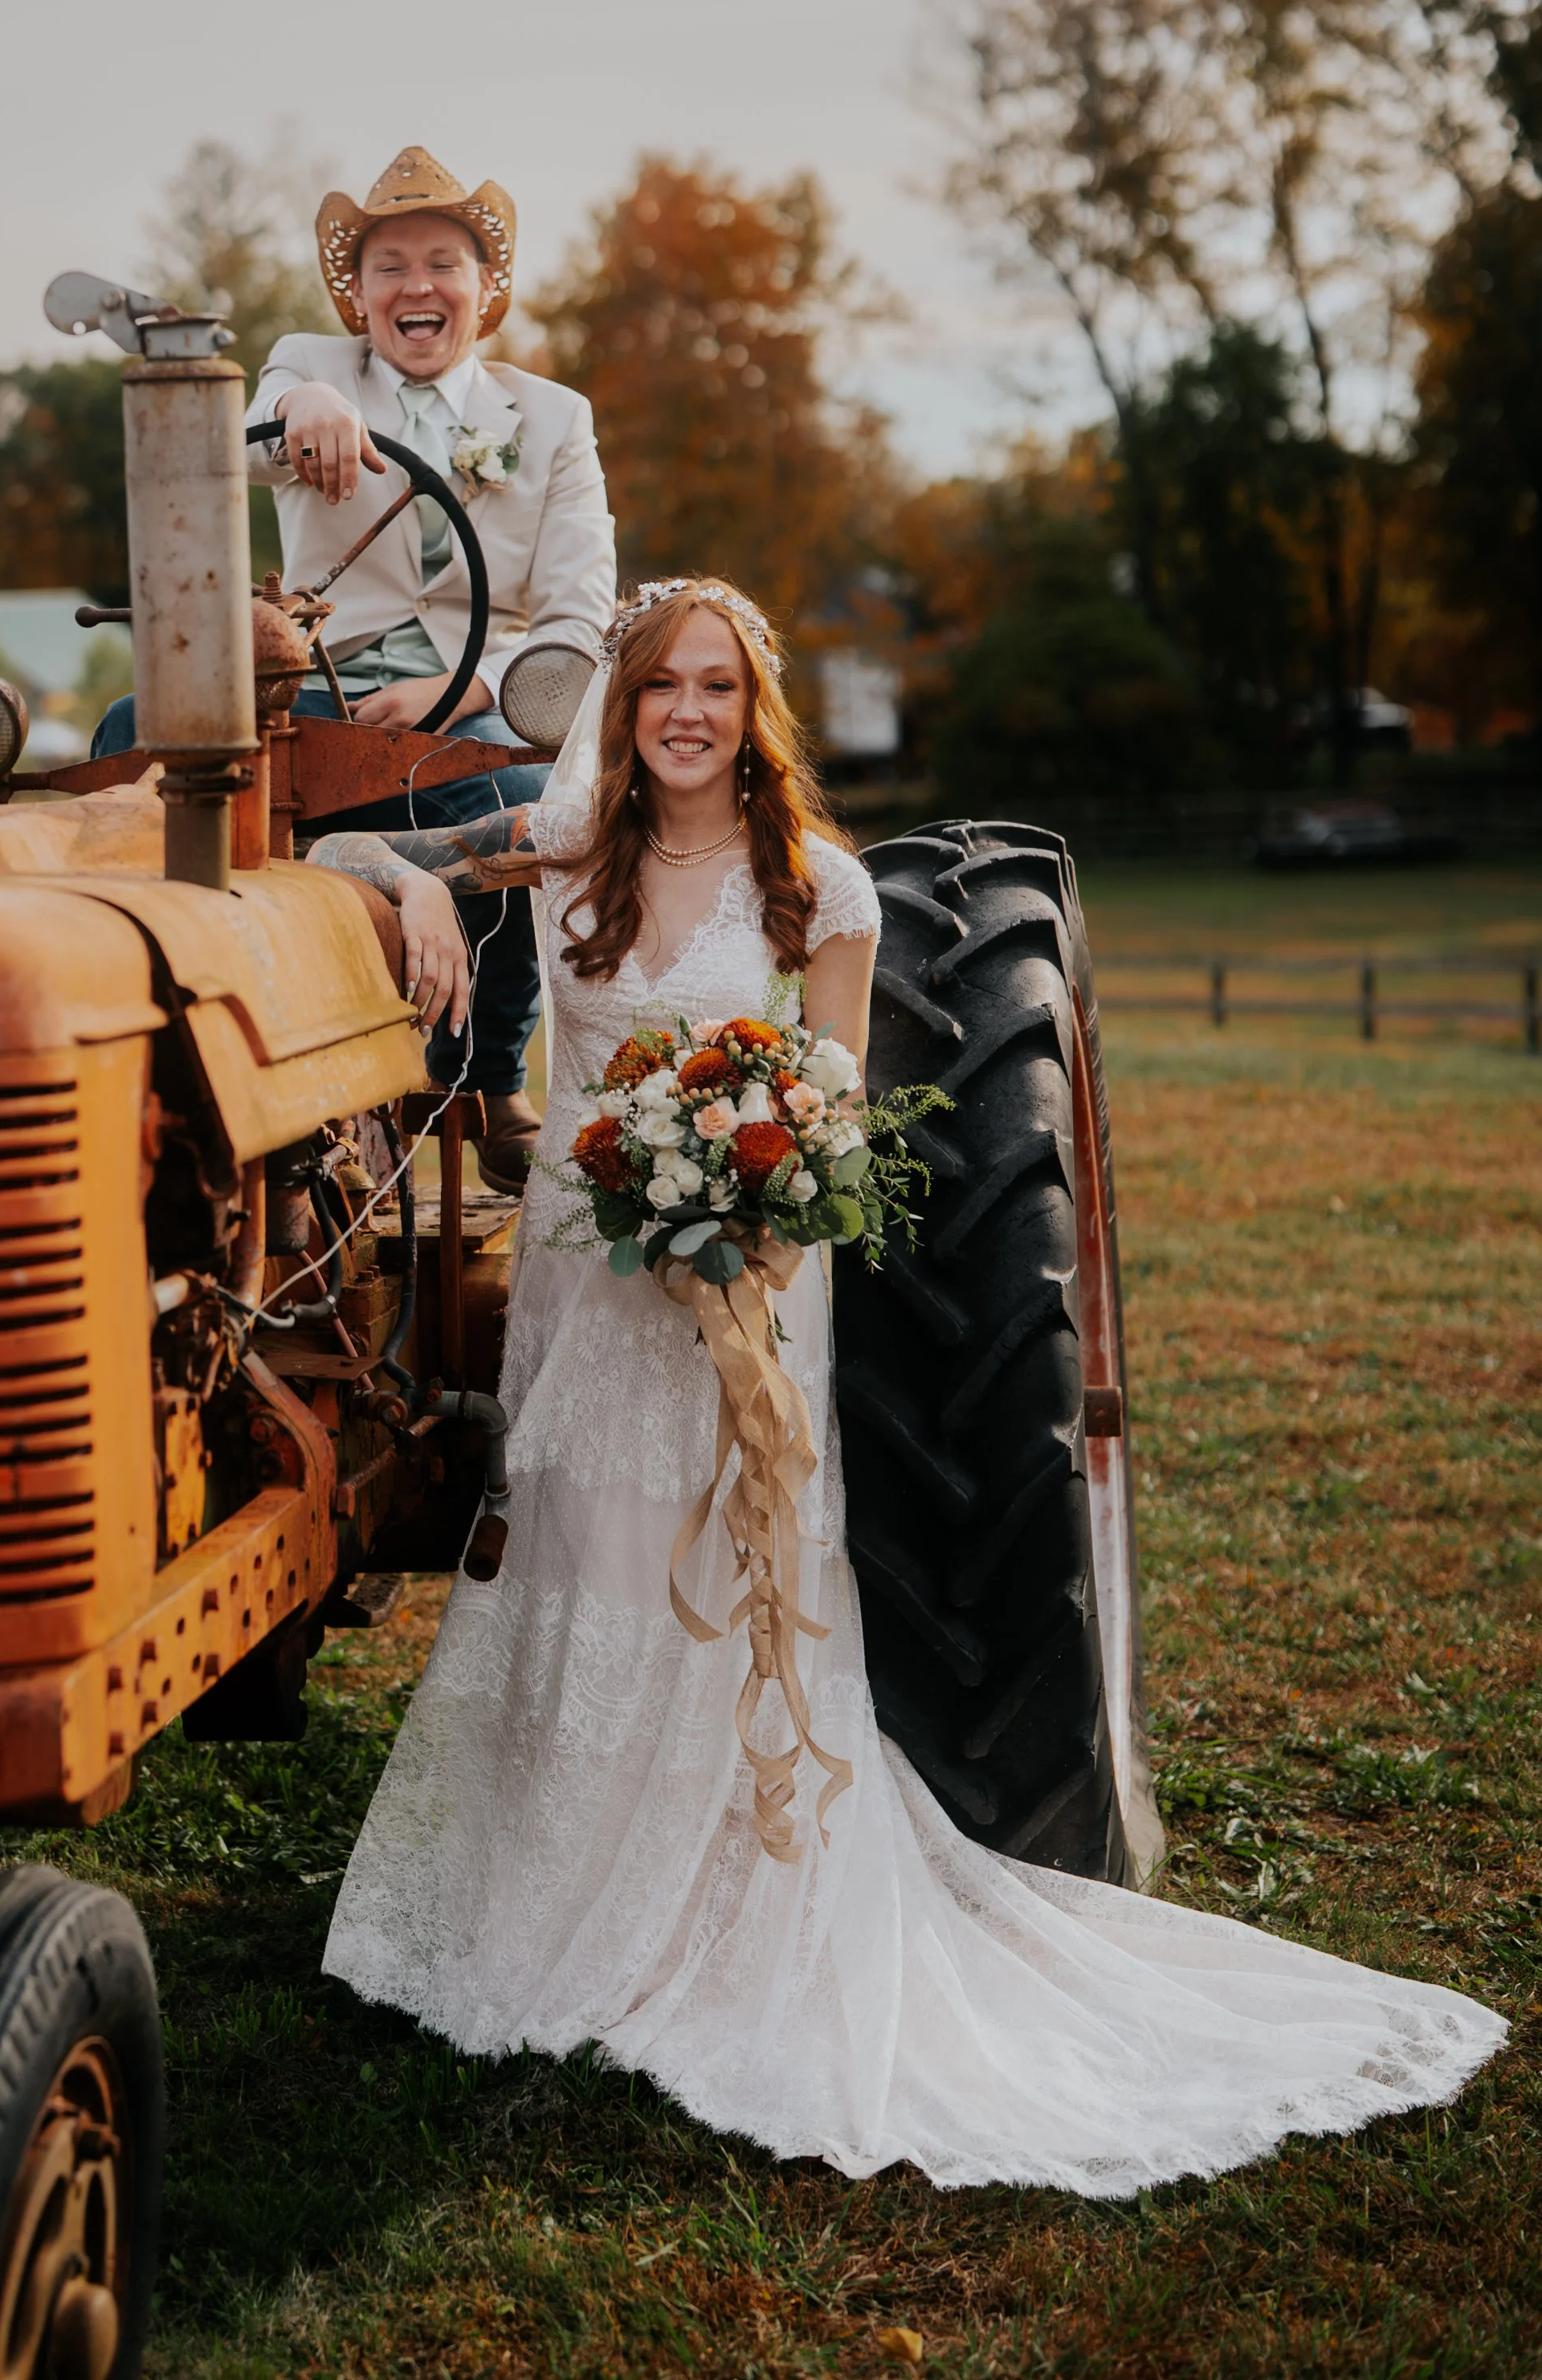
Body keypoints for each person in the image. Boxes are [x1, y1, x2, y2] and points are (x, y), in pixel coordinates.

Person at [304, 577, 1504, 2194]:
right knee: (591, 1556)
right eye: (661, 684)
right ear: (625, 703)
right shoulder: (569, 852)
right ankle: (562, 1888)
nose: (685, 713)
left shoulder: (825, 886)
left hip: (751, 1283)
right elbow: (324, 857)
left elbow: (839, 1089)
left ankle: (736, 1893)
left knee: (735, 1563)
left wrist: (754, 1196)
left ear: (754, 709)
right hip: (590, 1285)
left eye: (717, 687)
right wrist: (424, 889)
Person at [96, 145, 617, 1195]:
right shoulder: (308, 366)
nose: (415, 286)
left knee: (521, 797)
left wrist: (462, 688)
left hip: (471, 705)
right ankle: (164, 1041)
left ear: (482, 288)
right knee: (127, 741)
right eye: (389, 266)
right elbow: (224, 436)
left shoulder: (553, 420)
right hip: (316, 690)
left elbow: (576, 619)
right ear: (359, 293)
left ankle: (485, 1080)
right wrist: (298, 413)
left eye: (441, 262)